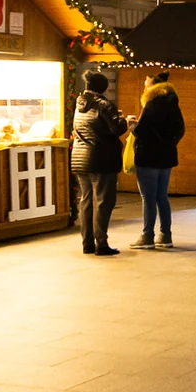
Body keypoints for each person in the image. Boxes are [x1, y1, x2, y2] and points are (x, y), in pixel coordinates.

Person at [71, 70, 128, 256]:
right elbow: (116, 128)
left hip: (80, 158)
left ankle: (87, 243)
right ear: (103, 88)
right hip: (101, 158)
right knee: (103, 201)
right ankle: (101, 244)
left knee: (86, 200)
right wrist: (125, 121)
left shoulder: (79, 104)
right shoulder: (103, 104)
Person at [128, 72, 185, 250]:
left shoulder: (151, 105)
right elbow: (181, 129)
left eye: (146, 83)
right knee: (162, 196)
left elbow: (141, 131)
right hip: (166, 157)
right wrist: (169, 143)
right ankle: (165, 235)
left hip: (148, 157)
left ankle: (147, 236)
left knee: (148, 198)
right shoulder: (173, 104)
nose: (144, 86)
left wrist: (132, 125)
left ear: (152, 86)